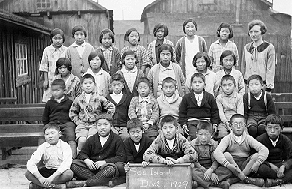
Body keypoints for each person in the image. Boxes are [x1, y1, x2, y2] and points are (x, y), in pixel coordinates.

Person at [67, 115, 126, 188]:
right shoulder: (92, 139)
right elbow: (82, 153)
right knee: (73, 164)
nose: (102, 127)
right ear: (96, 127)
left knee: (111, 169)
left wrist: (105, 162)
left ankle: (86, 183)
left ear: (111, 125)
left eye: (105, 124)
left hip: (106, 168)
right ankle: (98, 181)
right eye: (99, 125)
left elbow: (121, 157)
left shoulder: (117, 139)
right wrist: (87, 160)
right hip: (92, 168)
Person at [214, 114, 269, 187]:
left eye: (241, 124)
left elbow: (264, 150)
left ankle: (234, 179)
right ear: (230, 126)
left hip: (245, 165)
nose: (238, 126)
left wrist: (258, 163)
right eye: (235, 124)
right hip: (232, 165)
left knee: (256, 156)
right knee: (226, 155)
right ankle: (246, 179)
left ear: (245, 125)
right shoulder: (227, 139)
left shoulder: (248, 138)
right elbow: (217, 152)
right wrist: (227, 164)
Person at [69, 74, 115, 154]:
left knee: (92, 138)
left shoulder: (99, 97)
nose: (88, 86)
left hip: (95, 124)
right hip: (82, 124)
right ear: (81, 86)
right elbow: (72, 112)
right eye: (85, 83)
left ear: (94, 85)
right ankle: (80, 156)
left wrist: (104, 119)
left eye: (90, 83)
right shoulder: (78, 99)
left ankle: (93, 156)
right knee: (82, 140)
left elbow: (111, 107)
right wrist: (78, 122)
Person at [25, 124, 73, 189]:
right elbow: (31, 163)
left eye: (52, 133)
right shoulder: (43, 146)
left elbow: (66, 164)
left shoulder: (65, 146)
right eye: (47, 134)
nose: (50, 136)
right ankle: (54, 186)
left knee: (69, 174)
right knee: (28, 173)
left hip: (58, 173)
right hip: (46, 171)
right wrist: (40, 178)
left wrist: (51, 178)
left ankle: (38, 185)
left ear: (59, 134)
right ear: (44, 136)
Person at [191, 121, 231, 189]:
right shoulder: (193, 144)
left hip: (212, 167)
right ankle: (217, 183)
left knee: (228, 169)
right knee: (192, 172)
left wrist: (211, 170)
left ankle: (201, 183)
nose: (203, 137)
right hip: (199, 168)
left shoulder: (214, 144)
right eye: (201, 134)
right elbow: (195, 162)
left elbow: (216, 161)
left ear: (211, 135)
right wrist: (207, 172)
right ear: (196, 134)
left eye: (206, 134)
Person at [42, 79, 77, 158]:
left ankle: (72, 158)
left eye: (57, 90)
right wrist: (47, 126)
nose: (55, 92)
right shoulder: (49, 103)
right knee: (49, 135)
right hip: (53, 124)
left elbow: (73, 114)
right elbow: (45, 117)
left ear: (64, 90)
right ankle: (49, 158)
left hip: (66, 123)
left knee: (71, 136)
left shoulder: (69, 102)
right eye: (53, 90)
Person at [179, 73, 219, 140]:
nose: (197, 84)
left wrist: (215, 123)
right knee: (195, 137)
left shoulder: (209, 97)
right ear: (191, 85)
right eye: (194, 82)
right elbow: (182, 112)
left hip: (206, 122)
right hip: (192, 123)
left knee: (207, 137)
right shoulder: (187, 97)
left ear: (204, 85)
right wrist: (184, 124)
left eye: (200, 82)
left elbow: (214, 111)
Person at [256, 114, 292, 187]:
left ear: (282, 128)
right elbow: (255, 156)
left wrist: (283, 166)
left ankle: (275, 181)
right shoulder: (260, 140)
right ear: (265, 128)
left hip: (281, 165)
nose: (272, 131)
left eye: (276, 128)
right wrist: (270, 165)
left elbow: (290, 157)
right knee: (261, 169)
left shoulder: (286, 140)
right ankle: (282, 179)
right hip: (267, 165)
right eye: (269, 127)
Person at [242, 19, 276, 92]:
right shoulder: (246, 48)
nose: (253, 34)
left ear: (262, 32)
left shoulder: (269, 47)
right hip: (248, 85)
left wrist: (268, 87)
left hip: (262, 85)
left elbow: (270, 68)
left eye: (256, 32)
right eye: (251, 32)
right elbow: (243, 66)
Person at [243, 74, 276, 138]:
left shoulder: (267, 96)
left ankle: (261, 144)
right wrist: (244, 123)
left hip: (264, 116)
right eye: (251, 85)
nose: (254, 87)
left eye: (256, 84)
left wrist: (270, 122)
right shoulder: (246, 96)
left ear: (262, 86)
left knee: (262, 128)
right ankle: (252, 145)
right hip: (251, 117)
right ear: (248, 86)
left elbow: (272, 112)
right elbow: (245, 112)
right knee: (252, 129)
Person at [40, 28, 67, 102]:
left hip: (62, 78)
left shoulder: (66, 50)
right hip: (51, 78)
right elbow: (44, 66)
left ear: (63, 39)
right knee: (50, 99)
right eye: (55, 38)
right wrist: (45, 80)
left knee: (62, 98)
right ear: (51, 39)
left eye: (60, 38)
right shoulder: (47, 50)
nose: (58, 41)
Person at [215, 75, 244, 140]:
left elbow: (240, 112)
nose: (227, 88)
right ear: (221, 87)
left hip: (237, 121)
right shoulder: (219, 98)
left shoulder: (238, 97)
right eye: (224, 85)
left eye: (230, 85)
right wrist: (226, 123)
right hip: (224, 122)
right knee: (222, 135)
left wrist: (235, 123)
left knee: (242, 135)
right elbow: (221, 113)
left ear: (234, 86)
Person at [106, 73, 132, 140]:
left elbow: (130, 113)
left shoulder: (127, 98)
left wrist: (128, 126)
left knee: (126, 137)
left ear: (123, 85)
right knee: (112, 136)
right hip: (112, 125)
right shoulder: (107, 98)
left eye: (119, 85)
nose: (117, 87)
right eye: (114, 85)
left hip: (124, 125)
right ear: (111, 86)